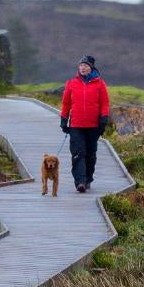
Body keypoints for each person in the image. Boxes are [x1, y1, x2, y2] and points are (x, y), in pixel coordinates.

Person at [59, 55, 110, 193]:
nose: (83, 67)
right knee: (78, 153)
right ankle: (80, 182)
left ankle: (88, 178)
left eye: (86, 65)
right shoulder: (71, 83)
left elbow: (105, 103)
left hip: (93, 125)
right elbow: (66, 103)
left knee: (90, 154)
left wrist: (104, 118)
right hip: (76, 125)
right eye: (81, 65)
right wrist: (64, 119)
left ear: (91, 68)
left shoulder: (100, 84)